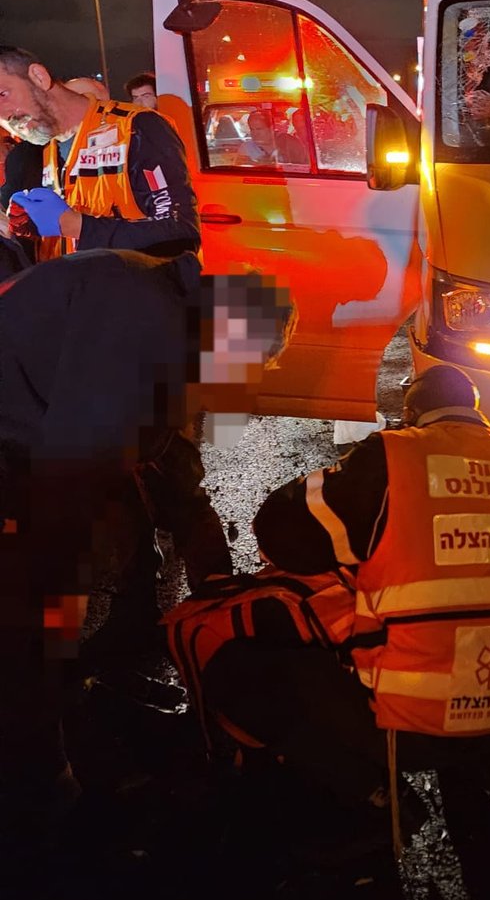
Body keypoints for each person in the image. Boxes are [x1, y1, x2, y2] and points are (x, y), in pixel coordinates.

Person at [0, 251, 295, 830]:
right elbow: (69, 480)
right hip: (14, 433)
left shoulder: (168, 311)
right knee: (36, 607)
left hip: (32, 416)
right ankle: (40, 782)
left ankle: (92, 673)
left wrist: (216, 592)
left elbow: (171, 467)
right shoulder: (140, 331)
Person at [186, 365, 490, 817]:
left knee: (235, 671)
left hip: (407, 725)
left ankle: (375, 792)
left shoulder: (393, 458)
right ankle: (486, 760)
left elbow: (280, 531)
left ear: (412, 413)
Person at [0, 45, 199, 257]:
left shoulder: (137, 127)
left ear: (39, 77)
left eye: (2, 94)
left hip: (133, 287)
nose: (4, 116)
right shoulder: (42, 150)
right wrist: (18, 234)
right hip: (68, 287)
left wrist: (76, 225)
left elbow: (181, 233)